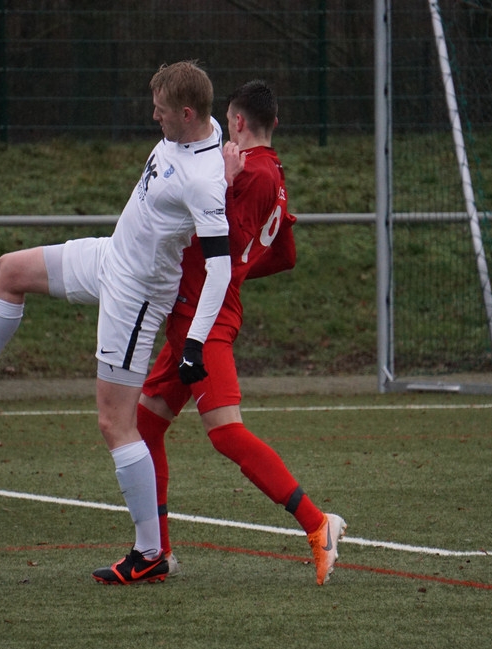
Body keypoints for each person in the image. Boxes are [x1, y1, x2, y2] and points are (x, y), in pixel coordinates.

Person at [0, 60, 232, 586]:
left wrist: (194, 342)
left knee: (115, 423)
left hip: (139, 296)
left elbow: (221, 266)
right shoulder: (204, 134)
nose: (154, 116)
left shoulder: (202, 178)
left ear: (186, 113)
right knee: (9, 271)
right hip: (109, 256)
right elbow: (225, 144)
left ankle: (150, 553)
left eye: (161, 110)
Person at [137, 80, 347, 586]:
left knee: (226, 432)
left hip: (205, 319)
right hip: (192, 314)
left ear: (236, 123)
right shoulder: (273, 174)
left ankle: (319, 524)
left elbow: (222, 243)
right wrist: (243, 268)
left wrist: (225, 187)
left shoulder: (249, 174)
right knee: (146, 427)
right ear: (273, 123)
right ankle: (157, 553)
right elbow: (286, 255)